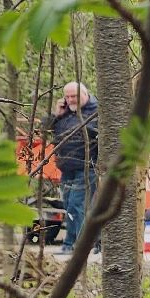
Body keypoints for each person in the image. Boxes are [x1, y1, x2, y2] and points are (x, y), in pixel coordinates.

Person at [48, 82, 97, 253]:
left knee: (77, 205)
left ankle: (75, 246)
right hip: (66, 168)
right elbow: (47, 131)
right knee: (69, 205)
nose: (69, 100)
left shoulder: (96, 111)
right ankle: (86, 244)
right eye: (67, 97)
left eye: (73, 96)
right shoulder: (65, 113)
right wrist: (56, 115)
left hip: (87, 167)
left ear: (84, 94)